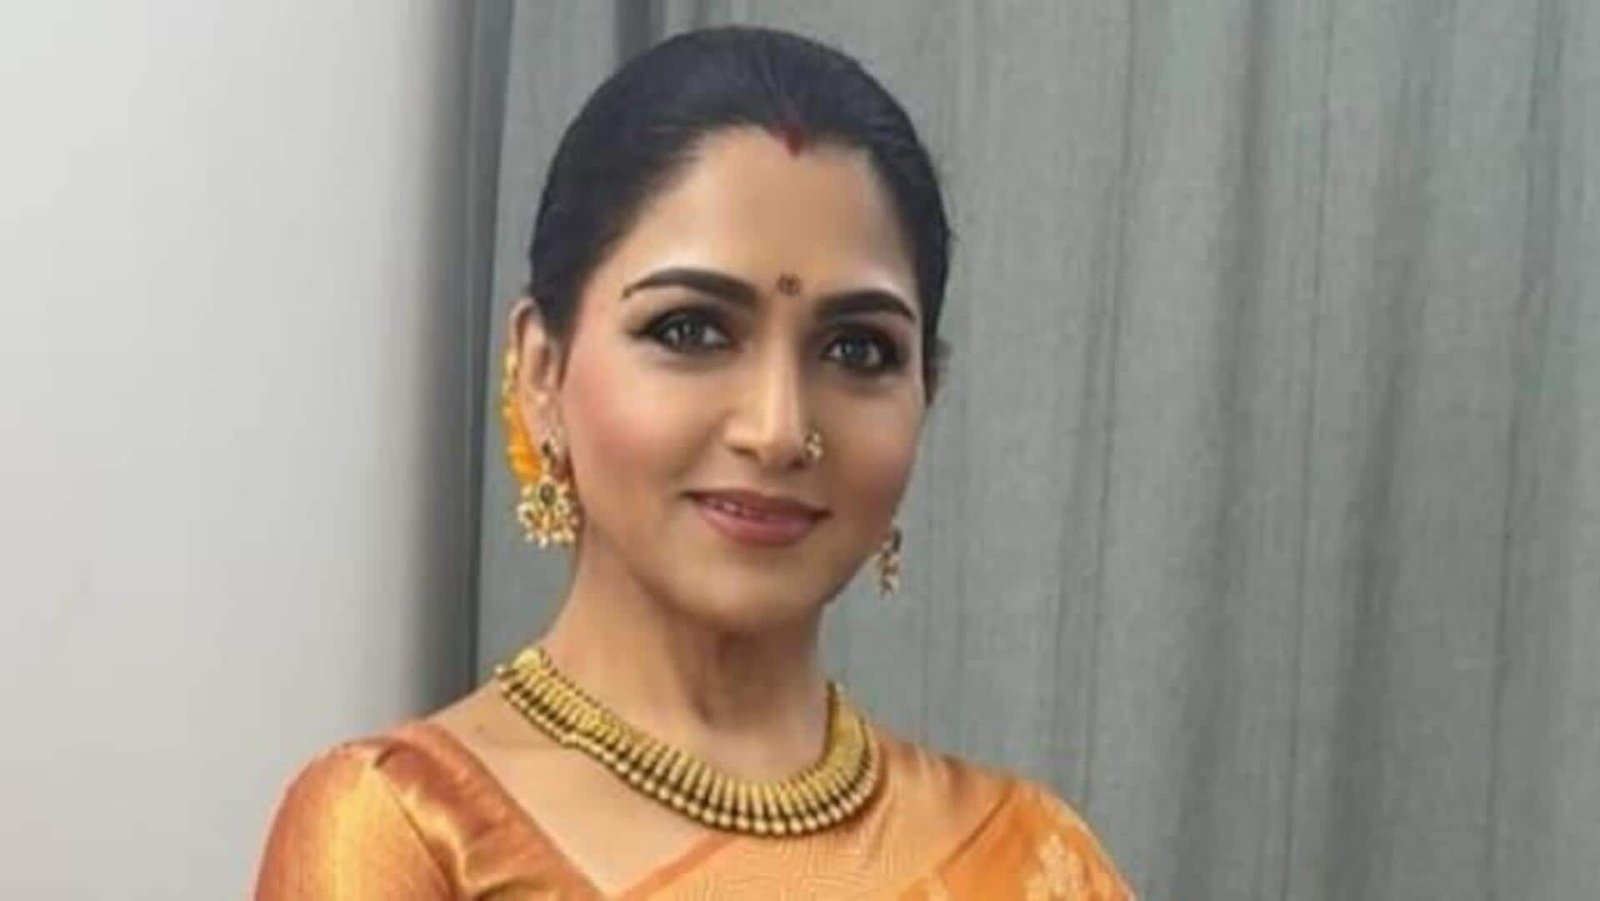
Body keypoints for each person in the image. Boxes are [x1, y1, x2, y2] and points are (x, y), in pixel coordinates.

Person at [255, 25, 1133, 900]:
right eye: (691, 330)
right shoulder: (407, 829)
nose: (778, 429)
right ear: (541, 372)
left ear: (925, 394)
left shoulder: (1035, 861)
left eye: (858, 350)